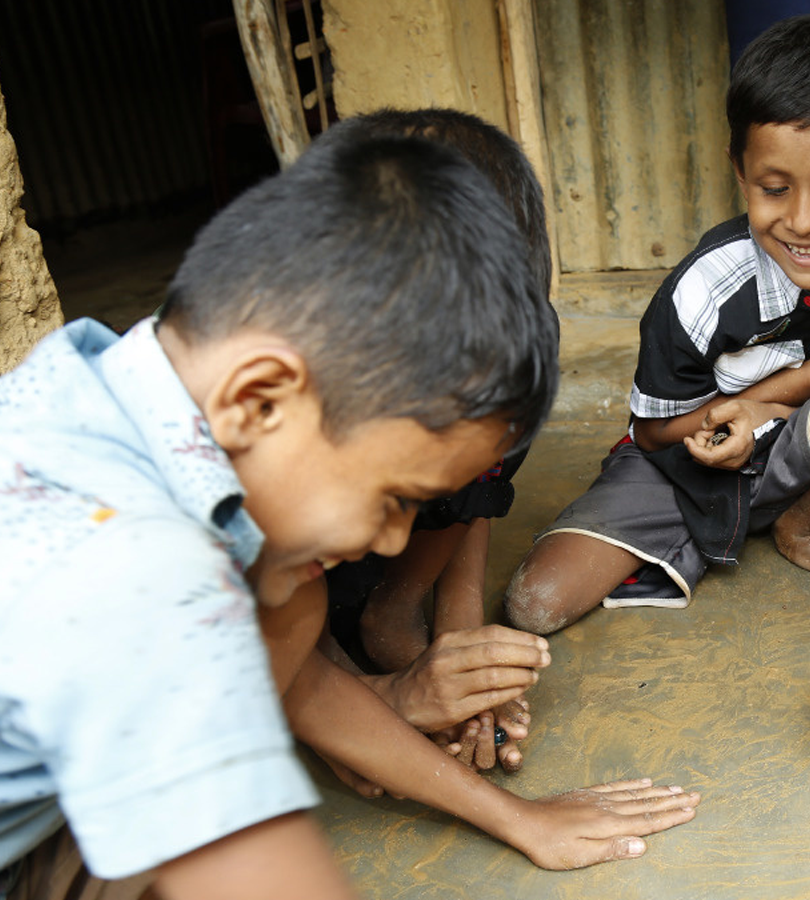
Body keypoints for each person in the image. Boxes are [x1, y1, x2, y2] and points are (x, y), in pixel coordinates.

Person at [0, 120, 688, 900]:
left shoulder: (102, 392)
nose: (395, 539)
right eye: (394, 499)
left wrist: (519, 821)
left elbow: (287, 673)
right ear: (260, 397)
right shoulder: (131, 576)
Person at [504, 9, 810, 635]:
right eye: (774, 188)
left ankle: (802, 525)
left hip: (809, 453)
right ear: (740, 171)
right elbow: (657, 434)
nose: (802, 221)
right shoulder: (702, 292)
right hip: (684, 465)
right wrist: (796, 384)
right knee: (535, 605)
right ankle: (723, 526)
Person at [312, 109, 554, 776]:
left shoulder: (521, 348)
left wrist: (460, 642)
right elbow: (260, 626)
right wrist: (366, 715)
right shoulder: (265, 423)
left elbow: (483, 473)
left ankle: (387, 611)